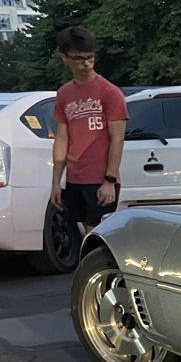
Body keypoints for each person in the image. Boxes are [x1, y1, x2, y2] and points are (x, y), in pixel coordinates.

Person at [50, 26, 127, 235]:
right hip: (75, 177)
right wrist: (56, 182)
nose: (86, 63)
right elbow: (62, 138)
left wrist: (110, 180)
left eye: (90, 57)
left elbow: (117, 139)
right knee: (86, 232)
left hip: (100, 178)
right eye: (79, 58)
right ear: (65, 58)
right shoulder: (64, 93)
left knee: (99, 232)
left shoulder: (109, 92)